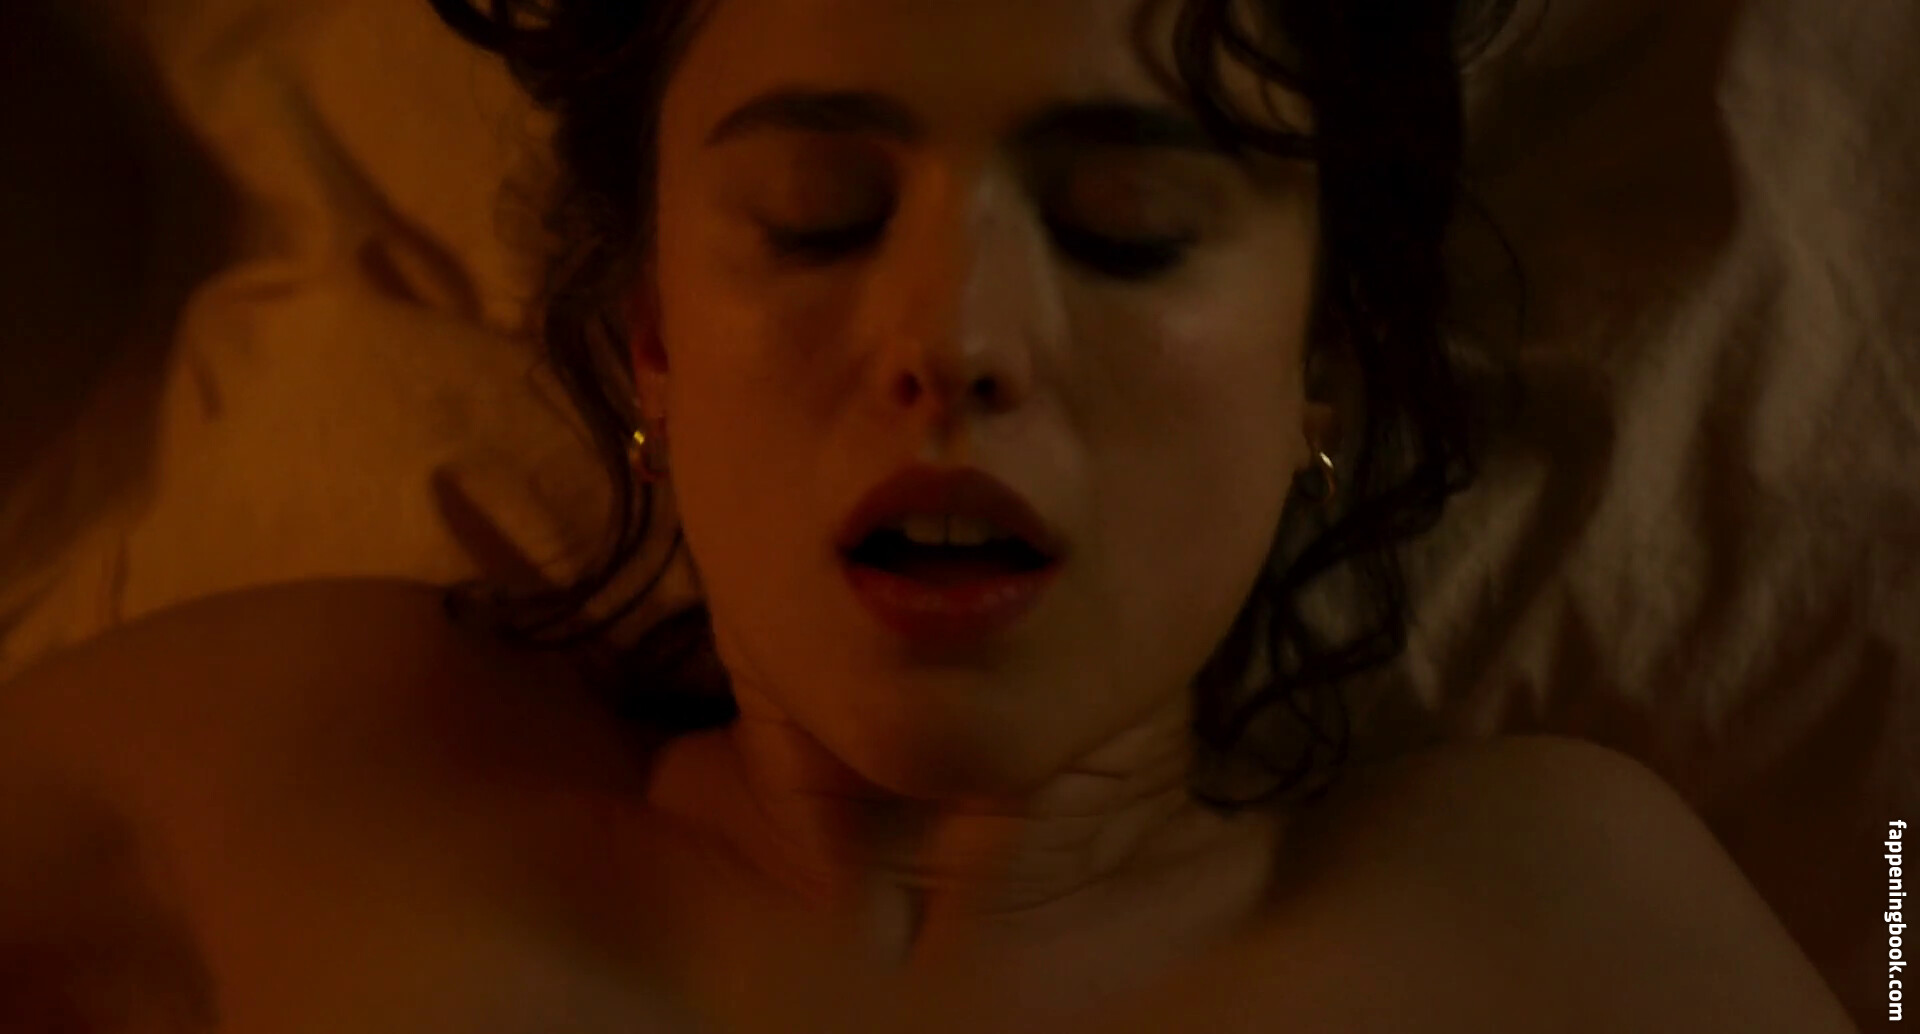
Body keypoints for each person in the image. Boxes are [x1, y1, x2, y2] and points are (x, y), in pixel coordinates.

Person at [0, 0, 1860, 1031]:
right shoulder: (319, 762)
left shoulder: (1540, 904)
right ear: (654, 339)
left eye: (1124, 233)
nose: (954, 340)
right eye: (818, 217)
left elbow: (1906, 907)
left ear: (1321, 371)